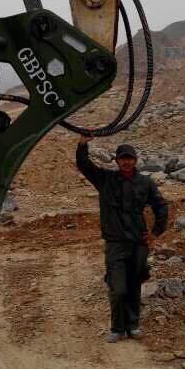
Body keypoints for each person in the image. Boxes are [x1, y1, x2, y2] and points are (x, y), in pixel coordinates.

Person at [76, 135, 169, 343]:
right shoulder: (105, 180)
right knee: (117, 288)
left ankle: (133, 325)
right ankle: (117, 328)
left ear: (135, 160)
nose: (126, 162)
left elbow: (161, 206)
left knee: (134, 285)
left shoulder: (145, 183)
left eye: (130, 158)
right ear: (117, 161)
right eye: (122, 158)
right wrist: (83, 144)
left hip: (138, 243)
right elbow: (84, 165)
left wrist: (155, 233)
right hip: (115, 244)